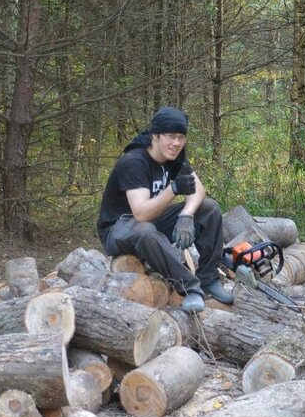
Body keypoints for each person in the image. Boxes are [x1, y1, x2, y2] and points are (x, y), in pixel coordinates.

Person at [97, 106, 233, 313]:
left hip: (150, 222)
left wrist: (186, 215)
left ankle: (209, 279)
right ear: (155, 136)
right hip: (118, 229)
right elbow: (140, 213)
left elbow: (198, 191)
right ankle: (190, 288)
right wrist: (174, 188)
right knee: (144, 230)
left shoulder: (174, 156)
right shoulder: (133, 161)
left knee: (209, 208)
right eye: (170, 136)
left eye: (181, 137)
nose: (176, 143)